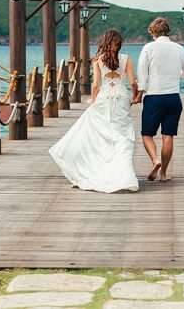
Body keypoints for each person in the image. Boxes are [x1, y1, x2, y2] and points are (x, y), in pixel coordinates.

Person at [49, 29, 139, 193]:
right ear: (118, 43)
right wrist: (135, 96)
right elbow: (133, 82)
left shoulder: (98, 60)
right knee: (123, 136)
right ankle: (124, 176)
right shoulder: (126, 59)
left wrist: (93, 101)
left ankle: (98, 170)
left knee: (100, 137)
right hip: (121, 98)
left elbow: (96, 84)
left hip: (104, 99)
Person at [134, 17, 184, 181]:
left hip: (154, 97)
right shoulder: (179, 48)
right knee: (168, 136)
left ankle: (155, 160)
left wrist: (139, 94)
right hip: (173, 98)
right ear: (168, 31)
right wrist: (175, 75)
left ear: (153, 32)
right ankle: (164, 174)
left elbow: (142, 74)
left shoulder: (148, 48)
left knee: (147, 134)